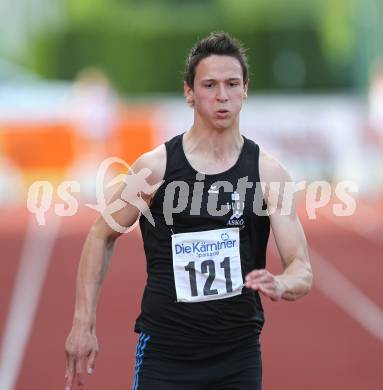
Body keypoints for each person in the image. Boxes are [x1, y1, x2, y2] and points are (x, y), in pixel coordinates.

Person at [64, 31, 313, 390]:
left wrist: (281, 282)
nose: (222, 95)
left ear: (245, 89)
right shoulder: (155, 168)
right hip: (167, 356)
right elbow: (101, 234)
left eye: (231, 84)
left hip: (238, 357)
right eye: (209, 85)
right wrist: (82, 324)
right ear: (189, 92)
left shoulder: (268, 173)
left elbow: (301, 267)